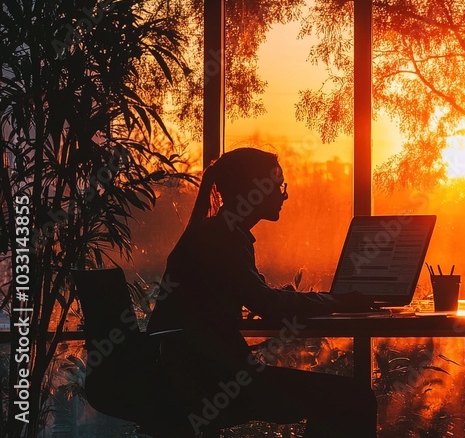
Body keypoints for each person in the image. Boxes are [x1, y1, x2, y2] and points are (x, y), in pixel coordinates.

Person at [147, 148, 378, 437]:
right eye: (280, 186)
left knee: (339, 398)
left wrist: (263, 296)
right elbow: (269, 304)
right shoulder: (225, 237)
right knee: (354, 399)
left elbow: (244, 295)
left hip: (191, 377)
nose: (285, 195)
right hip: (218, 382)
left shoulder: (215, 232)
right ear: (256, 190)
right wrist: (340, 300)